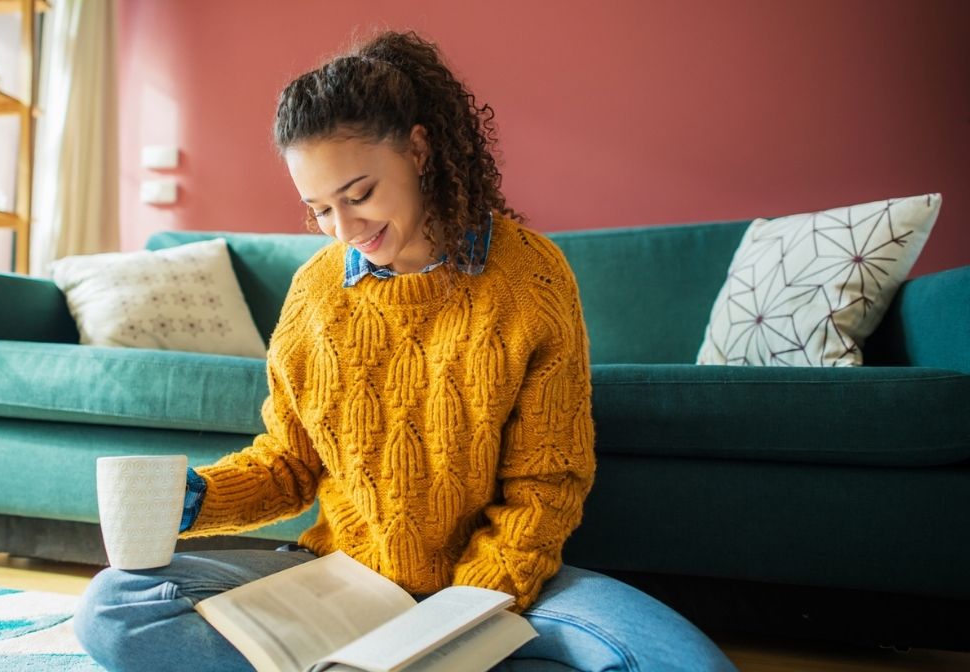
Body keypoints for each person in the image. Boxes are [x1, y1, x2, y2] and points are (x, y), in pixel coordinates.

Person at [74, 30, 737, 672]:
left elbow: (547, 485)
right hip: (342, 586)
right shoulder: (315, 292)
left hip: (493, 587)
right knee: (115, 608)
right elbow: (290, 463)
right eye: (320, 209)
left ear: (419, 150)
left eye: (359, 194)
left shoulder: (531, 277)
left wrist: (462, 613)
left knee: (678, 662)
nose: (344, 228)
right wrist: (199, 498)